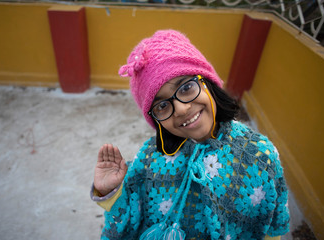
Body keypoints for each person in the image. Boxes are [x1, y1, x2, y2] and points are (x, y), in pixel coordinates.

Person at [91, 30, 290, 240]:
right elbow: (130, 218)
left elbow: (269, 228)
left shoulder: (259, 155)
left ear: (207, 82)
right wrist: (110, 193)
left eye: (186, 88)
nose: (182, 109)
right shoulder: (150, 160)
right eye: (162, 105)